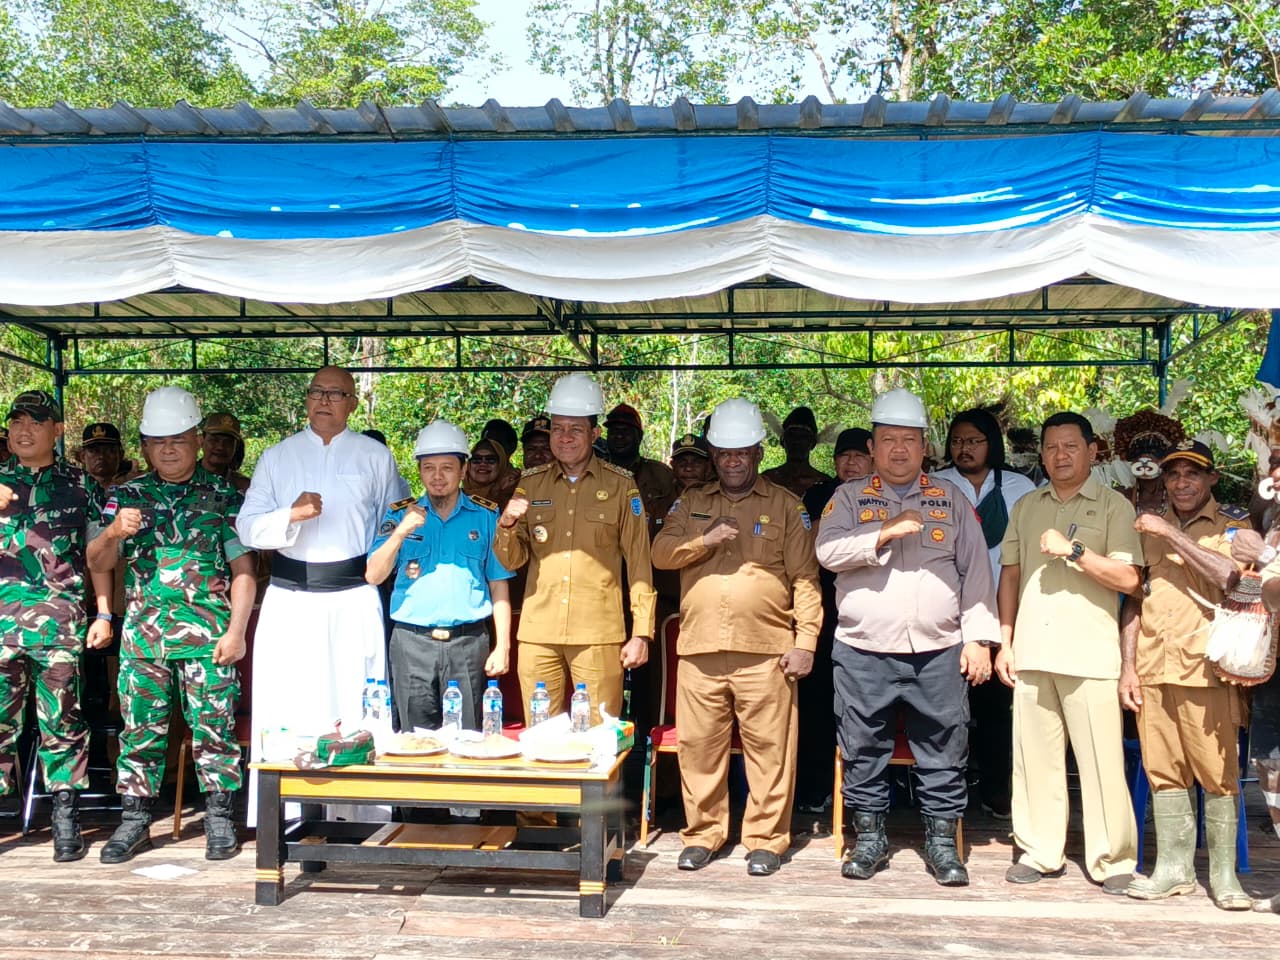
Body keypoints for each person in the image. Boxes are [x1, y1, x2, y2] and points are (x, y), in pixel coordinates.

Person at [815, 390, 998, 887]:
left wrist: (978, 639)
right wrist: (883, 532)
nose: (898, 449)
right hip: (863, 648)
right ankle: (868, 840)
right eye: (888, 440)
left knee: (944, 746)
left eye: (909, 440)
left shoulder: (951, 499)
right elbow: (827, 552)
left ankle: (942, 845)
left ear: (924, 448)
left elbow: (977, 572)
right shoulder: (849, 497)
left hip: (937, 650)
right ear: (872, 447)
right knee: (862, 745)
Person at [86, 387, 255, 863]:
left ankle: (221, 819)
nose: (168, 449)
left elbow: (243, 571)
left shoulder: (224, 495)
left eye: (178, 439)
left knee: (214, 730)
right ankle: (135, 821)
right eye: (157, 440)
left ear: (197, 440)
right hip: (144, 639)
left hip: (209, 637)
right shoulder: (125, 496)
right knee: (139, 732)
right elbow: (95, 559)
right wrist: (115, 531)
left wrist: (238, 630)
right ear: (142, 445)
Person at [652, 398, 821, 877]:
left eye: (741, 453)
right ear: (712, 454)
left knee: (770, 750)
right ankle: (703, 834)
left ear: (758, 452)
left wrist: (805, 641)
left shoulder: (785, 506)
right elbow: (660, 553)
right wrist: (703, 541)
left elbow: (805, 579)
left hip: (766, 650)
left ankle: (765, 840)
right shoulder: (691, 503)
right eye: (724, 453)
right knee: (699, 748)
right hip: (701, 648)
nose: (732, 461)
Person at [235, 367, 404, 820]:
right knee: (291, 704)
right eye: (316, 392)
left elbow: (396, 518)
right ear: (306, 400)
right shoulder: (278, 456)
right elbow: (246, 526)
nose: (324, 401)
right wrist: (290, 515)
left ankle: (360, 814)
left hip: (352, 596)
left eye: (336, 394)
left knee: (355, 704)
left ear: (353, 403)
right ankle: (287, 814)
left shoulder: (375, 456)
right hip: (291, 598)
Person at [995, 411, 1142, 894]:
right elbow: (1010, 575)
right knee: (1034, 760)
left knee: (1101, 762)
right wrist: (1005, 640)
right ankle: (1040, 850)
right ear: (1041, 454)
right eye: (1052, 447)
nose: (1060, 456)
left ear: (1092, 451)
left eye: (1071, 447)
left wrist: (1074, 551)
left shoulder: (1115, 506)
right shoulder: (1027, 505)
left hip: (1091, 653)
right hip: (1033, 651)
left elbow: (1128, 579)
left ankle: (1112, 859)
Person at [1115, 441, 1251, 909]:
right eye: (1173, 475)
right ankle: (1173, 870)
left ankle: (1224, 877)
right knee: (1163, 772)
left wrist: (1171, 535)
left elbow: (1232, 578)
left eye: (1192, 474)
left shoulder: (1233, 523)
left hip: (1206, 668)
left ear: (1211, 478)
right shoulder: (1147, 524)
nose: (1181, 483)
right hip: (1154, 666)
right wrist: (1128, 667)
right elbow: (1135, 598)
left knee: (1217, 775)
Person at [493, 372, 655, 723]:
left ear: (594, 434)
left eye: (575, 429)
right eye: (557, 429)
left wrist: (641, 632)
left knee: (599, 739)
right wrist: (505, 526)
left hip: (597, 634)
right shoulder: (531, 484)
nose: (564, 438)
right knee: (540, 734)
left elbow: (639, 563)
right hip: (538, 632)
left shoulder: (621, 487)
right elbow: (513, 558)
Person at [0, 389, 100, 862]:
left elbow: (101, 556)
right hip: (1, 625)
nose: (23, 429)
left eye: (36, 422)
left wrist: (103, 612)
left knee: (61, 720)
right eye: (17, 420)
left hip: (59, 624)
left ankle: (65, 814)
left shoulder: (80, 485)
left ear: (57, 431)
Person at [367, 420, 512, 732]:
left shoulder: (486, 516)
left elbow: (498, 585)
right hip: (411, 643)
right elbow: (374, 575)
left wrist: (503, 647)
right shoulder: (398, 515)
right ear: (419, 471)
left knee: (469, 738)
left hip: (468, 643)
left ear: (463, 471)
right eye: (428, 467)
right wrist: (400, 533)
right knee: (414, 740)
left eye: (447, 467)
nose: (437, 476)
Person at [933, 409, 1037, 818]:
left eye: (974, 440)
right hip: (947, 617)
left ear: (992, 442)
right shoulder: (938, 485)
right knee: (949, 710)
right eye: (957, 441)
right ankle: (948, 796)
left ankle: (997, 790)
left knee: (998, 709)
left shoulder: (1019, 486)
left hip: (1006, 615)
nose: (964, 448)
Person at [795, 427, 872, 814]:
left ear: (873, 459)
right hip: (824, 612)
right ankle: (815, 786)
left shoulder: (884, 496)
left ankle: (866, 794)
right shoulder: (817, 495)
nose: (851, 463)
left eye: (859, 455)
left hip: (872, 612)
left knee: (864, 708)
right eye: (844, 456)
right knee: (817, 703)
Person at [604, 404, 677, 518]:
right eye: (614, 431)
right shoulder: (594, 472)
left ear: (640, 436)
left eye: (626, 431)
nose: (619, 436)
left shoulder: (661, 475)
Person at [762, 406, 831, 497]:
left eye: (803, 437)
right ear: (782, 441)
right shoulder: (767, 480)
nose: (797, 442)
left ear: (813, 443)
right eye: (791, 436)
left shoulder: (825, 483)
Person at [199, 412, 250, 493]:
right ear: (202, 441)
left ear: (235, 447)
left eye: (228, 442)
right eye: (214, 440)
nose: (220, 447)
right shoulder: (183, 478)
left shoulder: (245, 488)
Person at [463, 436, 518, 509]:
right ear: (468, 465)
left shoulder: (514, 495)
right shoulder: (453, 496)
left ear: (501, 464)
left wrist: (502, 494)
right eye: (477, 459)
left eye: (490, 460)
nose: (483, 464)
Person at [80, 422, 133, 490]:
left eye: (109, 451)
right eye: (94, 451)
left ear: (120, 455)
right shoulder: (72, 488)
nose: (101, 456)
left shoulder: (133, 489)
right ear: (83, 456)